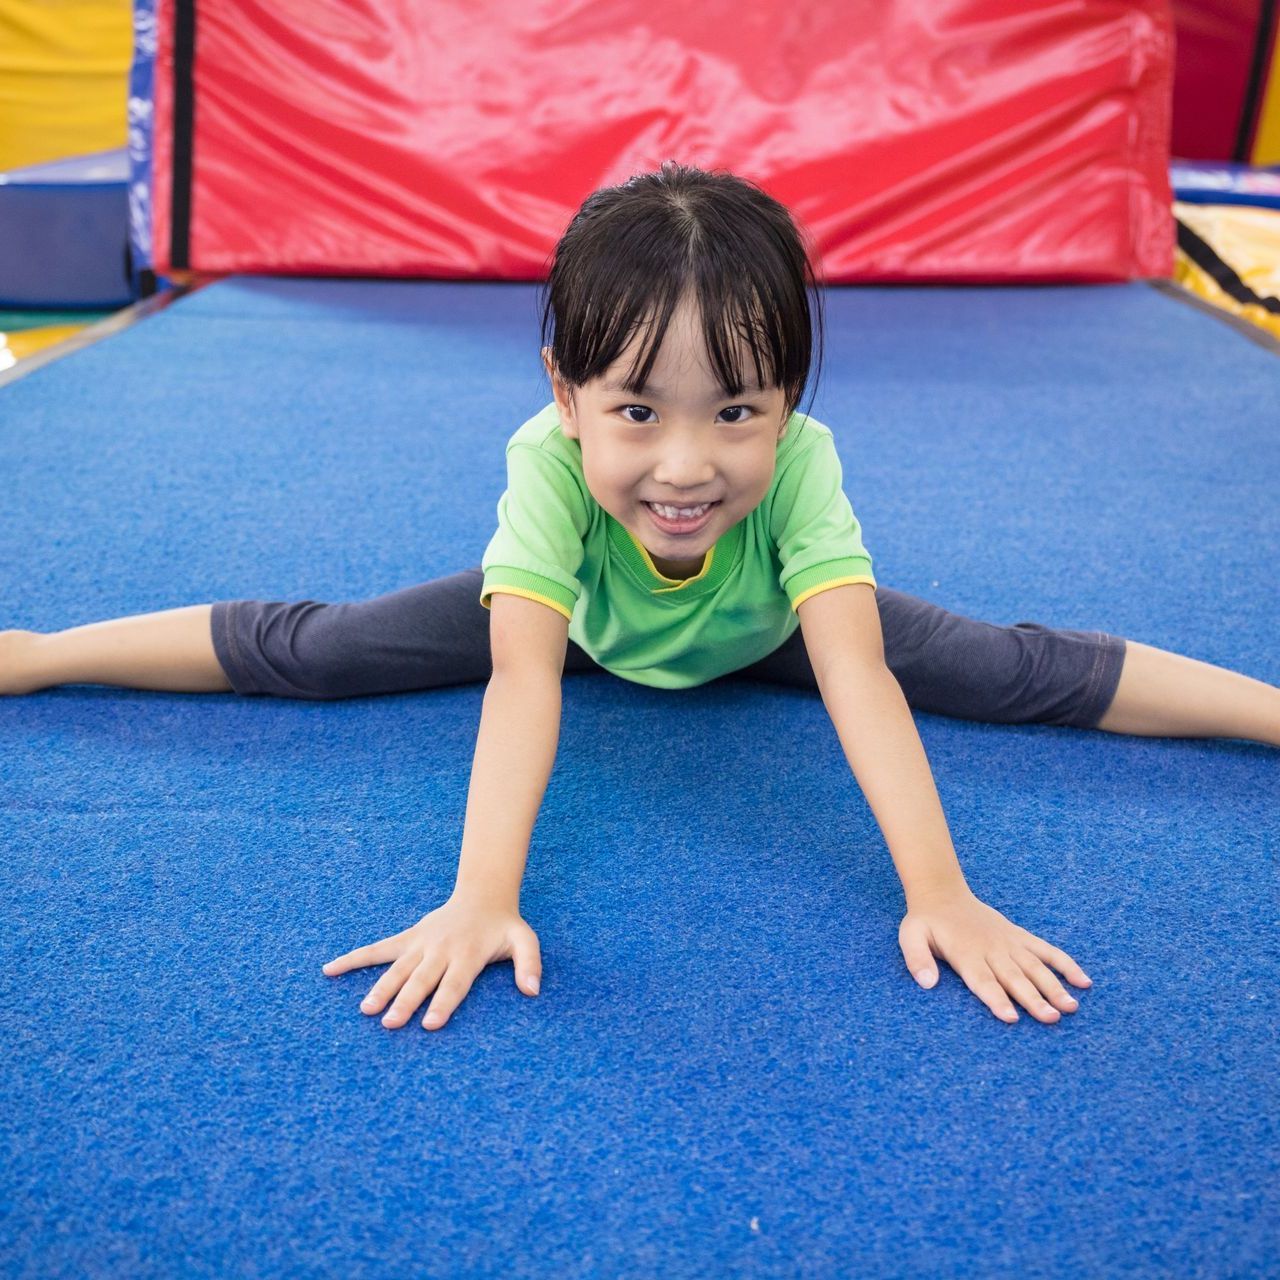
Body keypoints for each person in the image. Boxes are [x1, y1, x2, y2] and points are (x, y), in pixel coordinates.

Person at [3, 162, 1276, 1034]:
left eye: (735, 413)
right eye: (633, 411)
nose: (682, 466)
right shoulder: (548, 470)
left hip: (760, 622)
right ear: (565, 394)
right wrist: (481, 895)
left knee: (1004, 667)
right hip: (579, 614)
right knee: (328, 647)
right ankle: (44, 652)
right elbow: (518, 678)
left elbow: (856, 673)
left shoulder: (798, 480)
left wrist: (938, 892)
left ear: (788, 401)